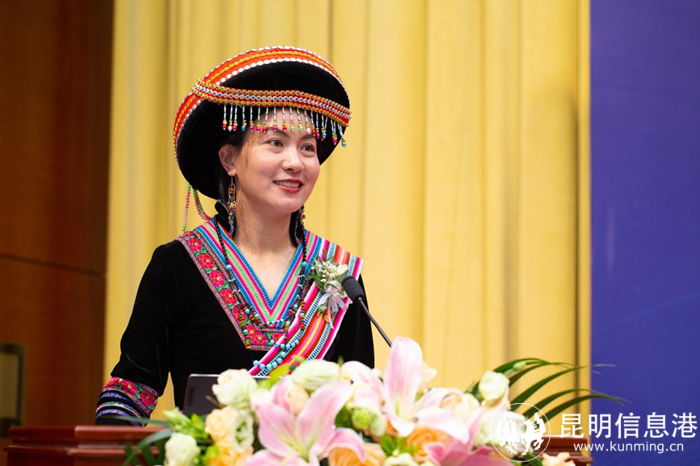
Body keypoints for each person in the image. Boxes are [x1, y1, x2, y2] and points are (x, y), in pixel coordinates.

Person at [95, 46, 374, 425]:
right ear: (229, 160)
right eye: (275, 142)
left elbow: (361, 409)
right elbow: (129, 394)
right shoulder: (178, 265)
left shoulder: (341, 278)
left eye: (308, 148)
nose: (295, 162)